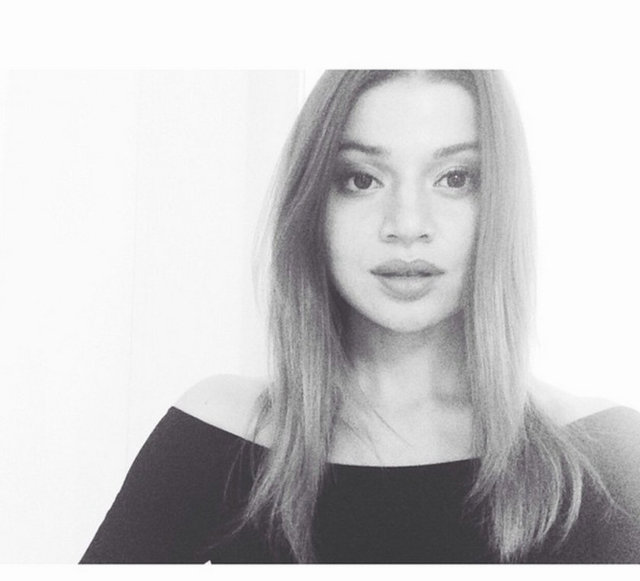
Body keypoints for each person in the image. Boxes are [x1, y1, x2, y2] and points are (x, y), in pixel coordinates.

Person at [80, 70, 640, 564]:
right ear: (312, 206)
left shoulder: (612, 455)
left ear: (501, 204)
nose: (407, 224)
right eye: (361, 179)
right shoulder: (218, 435)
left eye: (455, 178)